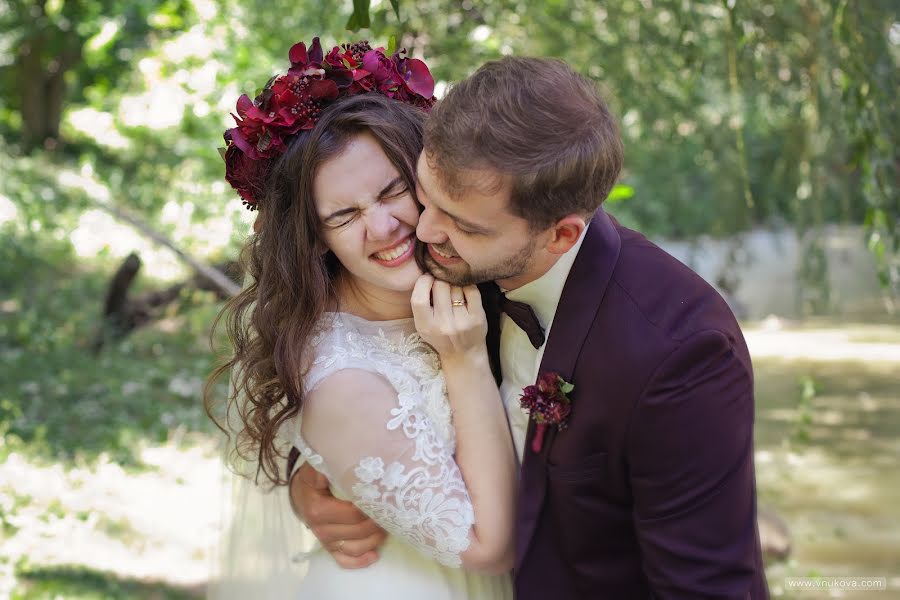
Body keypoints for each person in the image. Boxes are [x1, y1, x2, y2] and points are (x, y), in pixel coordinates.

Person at [292, 56, 771, 598]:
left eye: (462, 225)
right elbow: (370, 385)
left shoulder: (679, 355)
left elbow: (707, 585)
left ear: (561, 237)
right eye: (425, 194)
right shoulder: (459, 260)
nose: (423, 230)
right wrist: (318, 478)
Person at [205, 39, 515, 599]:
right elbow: (488, 546)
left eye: (394, 190)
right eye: (344, 216)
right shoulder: (342, 380)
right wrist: (463, 357)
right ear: (315, 240)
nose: (383, 227)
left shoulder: (488, 265)